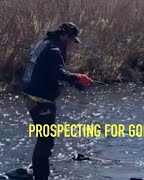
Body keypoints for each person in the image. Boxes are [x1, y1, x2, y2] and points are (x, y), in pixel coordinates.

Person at [22, 22, 94, 180]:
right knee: (46, 141)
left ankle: (37, 172)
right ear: (65, 36)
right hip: (40, 100)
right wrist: (78, 77)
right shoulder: (54, 50)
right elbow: (59, 73)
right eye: (72, 40)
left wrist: (78, 85)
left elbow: (51, 73)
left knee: (43, 139)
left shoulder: (44, 44)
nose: (71, 45)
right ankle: (41, 176)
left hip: (30, 96)